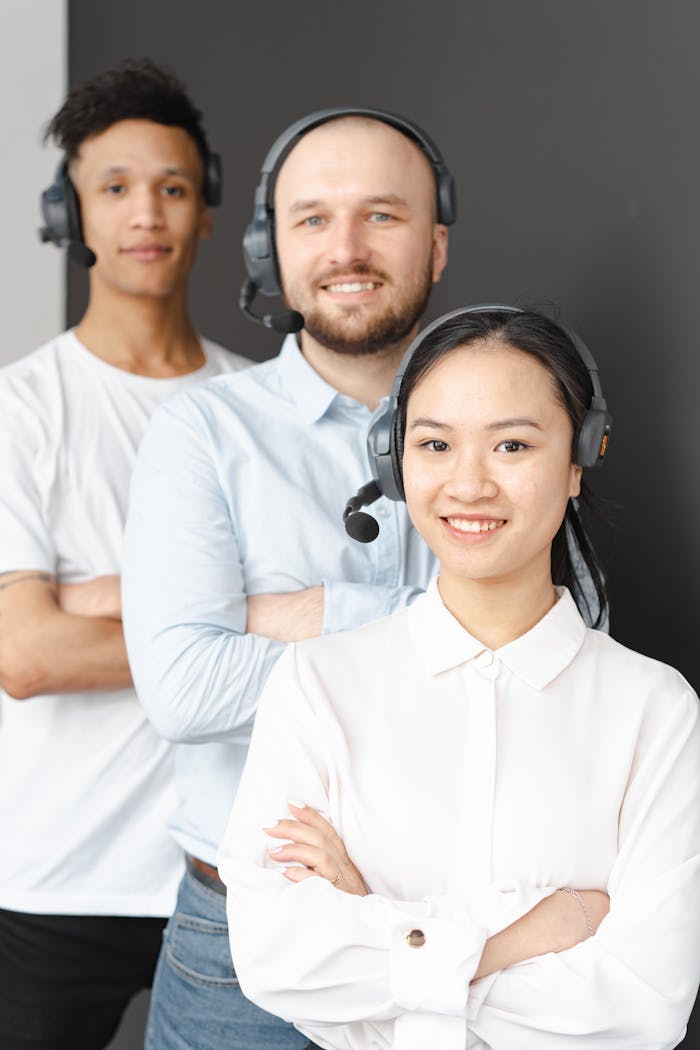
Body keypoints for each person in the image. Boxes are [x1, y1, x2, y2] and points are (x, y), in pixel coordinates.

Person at [219, 306, 700, 1050]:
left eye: (512, 445)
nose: (468, 484)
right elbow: (277, 958)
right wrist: (528, 934)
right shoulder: (316, 684)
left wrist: (372, 921)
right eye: (436, 444)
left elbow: (644, 1005)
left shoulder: (655, 710)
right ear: (394, 463)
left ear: (578, 460)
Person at [120, 108, 454, 1050]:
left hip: (456, 923)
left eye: (382, 215)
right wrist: (430, 632)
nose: (346, 249)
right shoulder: (200, 433)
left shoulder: (508, 413)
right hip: (243, 943)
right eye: (313, 218)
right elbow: (185, 689)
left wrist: (314, 616)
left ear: (435, 245)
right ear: (272, 248)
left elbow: (543, 659)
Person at [0, 59, 248, 1050]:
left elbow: (328, 624)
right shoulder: (21, 410)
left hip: (227, 873)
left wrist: (99, 598)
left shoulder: (257, 408)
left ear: (208, 211)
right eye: (114, 188)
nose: (146, 213)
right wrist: (222, 620)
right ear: (70, 216)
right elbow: (26, 656)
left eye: (173, 188)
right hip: (50, 883)